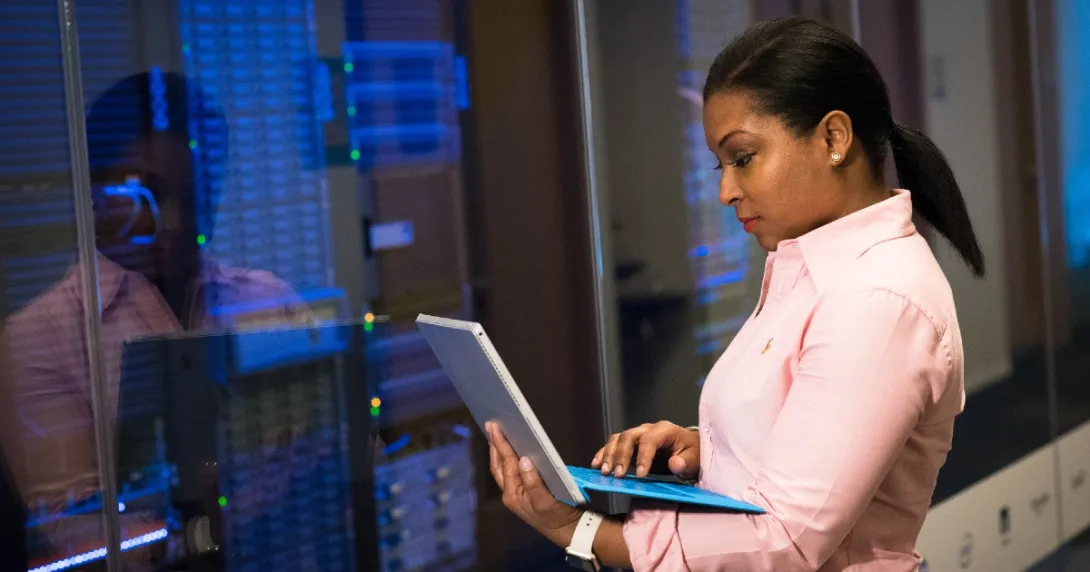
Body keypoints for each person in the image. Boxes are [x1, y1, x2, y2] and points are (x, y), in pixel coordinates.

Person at [486, 16, 982, 571]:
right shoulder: (814, 271)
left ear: (833, 139)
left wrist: (578, 530)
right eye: (719, 165)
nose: (725, 190)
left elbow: (786, 540)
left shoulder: (878, 299)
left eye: (743, 158)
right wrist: (710, 449)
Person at [0, 71, 311, 570]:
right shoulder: (37, 340)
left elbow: (328, 458)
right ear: (95, 194)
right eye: (150, 195)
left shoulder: (269, 300)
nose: (177, 224)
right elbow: (87, 539)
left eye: (195, 197)